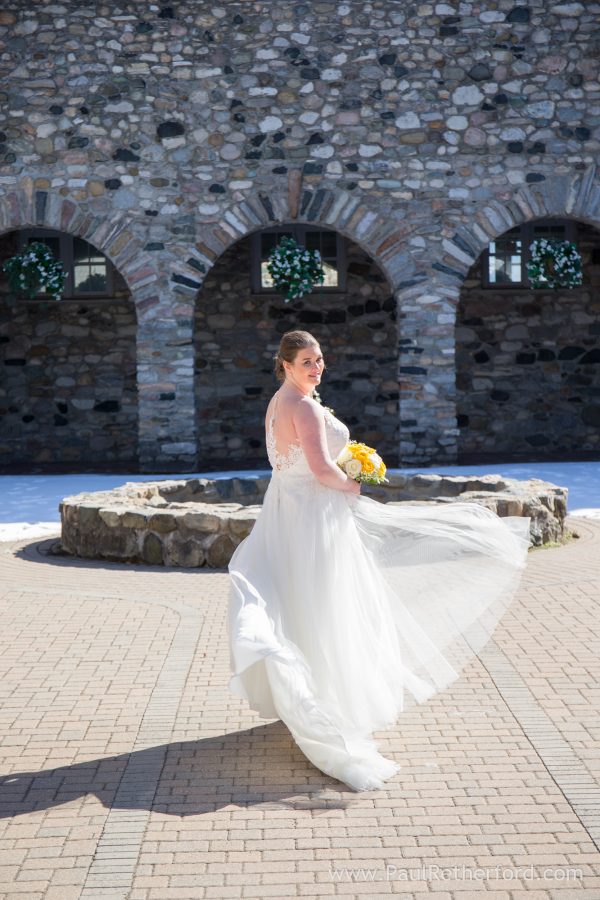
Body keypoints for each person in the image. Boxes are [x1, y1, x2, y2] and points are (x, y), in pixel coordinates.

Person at [227, 329, 531, 791]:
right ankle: (329, 704)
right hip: (314, 517)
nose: (316, 367)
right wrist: (353, 483)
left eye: (320, 359)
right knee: (329, 603)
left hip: (287, 511)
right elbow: (321, 468)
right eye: (307, 361)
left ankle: (314, 697)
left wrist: (349, 464)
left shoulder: (279, 400)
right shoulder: (304, 406)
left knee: (300, 599)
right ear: (286, 363)